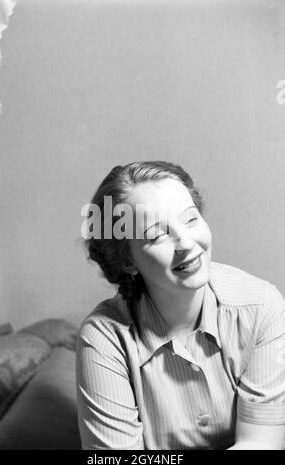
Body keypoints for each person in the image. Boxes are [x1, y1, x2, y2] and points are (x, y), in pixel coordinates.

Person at [76, 161, 285, 450]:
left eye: (191, 219)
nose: (186, 242)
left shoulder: (262, 306)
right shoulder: (104, 337)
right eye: (158, 235)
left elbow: (262, 443)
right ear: (127, 260)